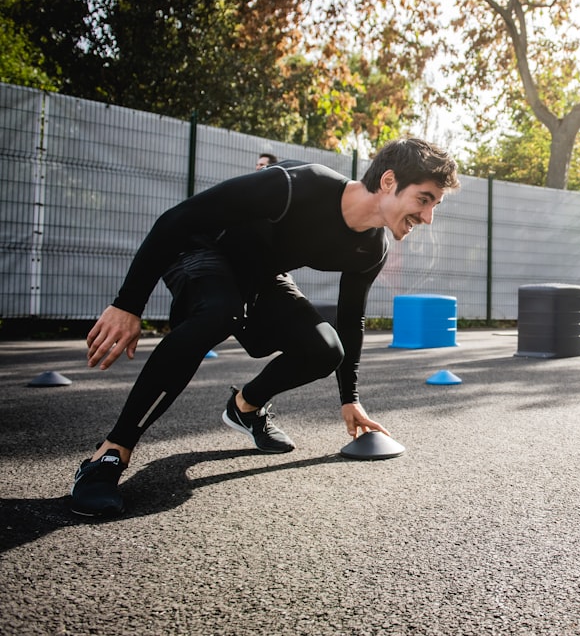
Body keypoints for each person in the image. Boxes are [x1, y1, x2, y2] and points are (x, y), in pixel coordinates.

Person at [70, 138, 460, 517]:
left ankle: (245, 408)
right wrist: (128, 305)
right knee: (217, 313)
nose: (428, 217)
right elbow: (177, 219)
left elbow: (350, 319)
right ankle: (109, 454)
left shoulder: (372, 248)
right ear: (389, 181)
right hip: (202, 250)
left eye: (435, 206)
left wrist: (350, 398)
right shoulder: (295, 185)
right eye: (424, 200)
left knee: (326, 349)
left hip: (259, 275)